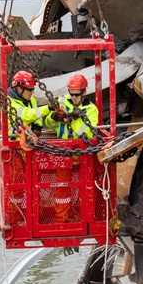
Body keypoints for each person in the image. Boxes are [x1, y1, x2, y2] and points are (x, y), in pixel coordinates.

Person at [45, 74, 99, 223]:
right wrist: (53, 118)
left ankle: (83, 217)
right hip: (64, 154)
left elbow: (88, 135)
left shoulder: (91, 110)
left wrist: (75, 121)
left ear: (84, 93)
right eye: (71, 93)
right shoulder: (63, 102)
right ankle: (61, 219)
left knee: (85, 188)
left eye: (76, 94)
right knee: (62, 188)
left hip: (82, 155)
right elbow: (50, 124)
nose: (73, 97)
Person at [7, 70, 53, 224]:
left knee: (34, 183)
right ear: (19, 89)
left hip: (28, 148)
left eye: (33, 89)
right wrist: (49, 108)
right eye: (30, 90)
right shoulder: (10, 103)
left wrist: (38, 127)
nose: (33, 93)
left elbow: (35, 117)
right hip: (14, 149)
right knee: (17, 187)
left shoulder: (29, 100)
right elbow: (27, 115)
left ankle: (34, 214)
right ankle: (15, 217)